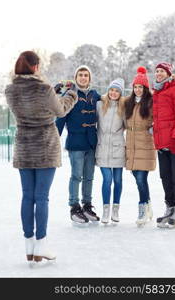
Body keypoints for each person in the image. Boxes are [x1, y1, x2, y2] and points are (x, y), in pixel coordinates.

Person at [5, 51, 77, 262]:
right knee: (41, 197)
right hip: (45, 146)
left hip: (24, 147)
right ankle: (41, 244)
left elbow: (30, 107)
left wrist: (53, 93)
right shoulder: (43, 88)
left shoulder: (10, 90)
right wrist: (70, 94)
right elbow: (60, 110)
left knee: (27, 196)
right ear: (36, 67)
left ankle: (29, 244)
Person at [55, 65, 100, 223]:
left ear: (89, 78)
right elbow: (61, 117)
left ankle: (87, 205)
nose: (83, 77)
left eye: (86, 75)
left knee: (89, 177)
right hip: (76, 142)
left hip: (91, 142)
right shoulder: (70, 94)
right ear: (76, 78)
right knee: (76, 176)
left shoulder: (95, 95)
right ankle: (74, 207)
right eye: (80, 75)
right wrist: (54, 138)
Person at [152, 62, 175, 228]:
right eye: (157, 71)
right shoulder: (157, 92)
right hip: (162, 142)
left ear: (168, 73)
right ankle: (170, 207)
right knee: (165, 176)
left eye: (162, 71)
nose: (159, 73)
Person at [124, 67, 156, 226]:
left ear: (145, 88)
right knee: (137, 177)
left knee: (141, 179)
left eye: (140, 87)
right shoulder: (128, 103)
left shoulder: (151, 102)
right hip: (131, 144)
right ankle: (148, 205)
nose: (137, 90)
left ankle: (143, 209)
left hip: (145, 143)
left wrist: (154, 127)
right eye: (135, 87)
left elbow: (160, 117)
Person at [96, 78, 126, 224]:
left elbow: (128, 125)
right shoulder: (100, 105)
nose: (114, 93)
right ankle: (106, 210)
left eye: (117, 91)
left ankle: (115, 209)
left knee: (118, 180)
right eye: (112, 90)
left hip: (118, 149)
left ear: (120, 94)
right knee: (107, 179)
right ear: (108, 91)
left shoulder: (124, 108)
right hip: (102, 148)